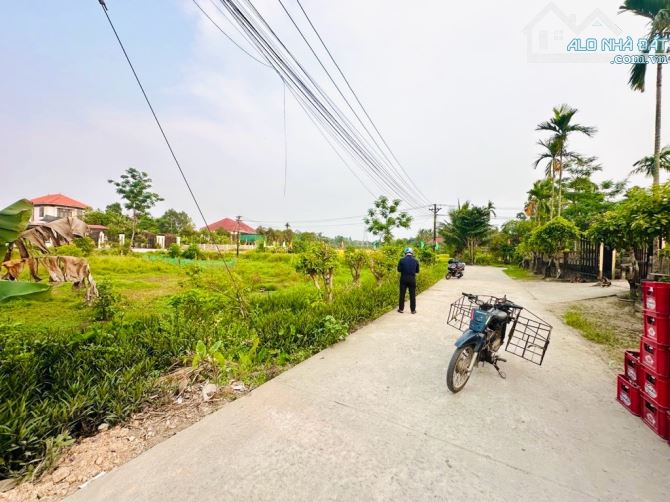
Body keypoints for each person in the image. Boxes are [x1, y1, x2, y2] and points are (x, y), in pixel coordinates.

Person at [397, 247, 420, 314]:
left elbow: (399, 270)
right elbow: (417, 271)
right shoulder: (416, 261)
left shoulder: (401, 260)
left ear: (405, 253)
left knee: (402, 294)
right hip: (412, 279)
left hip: (403, 279)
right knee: (412, 295)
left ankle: (401, 309)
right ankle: (413, 310)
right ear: (412, 253)